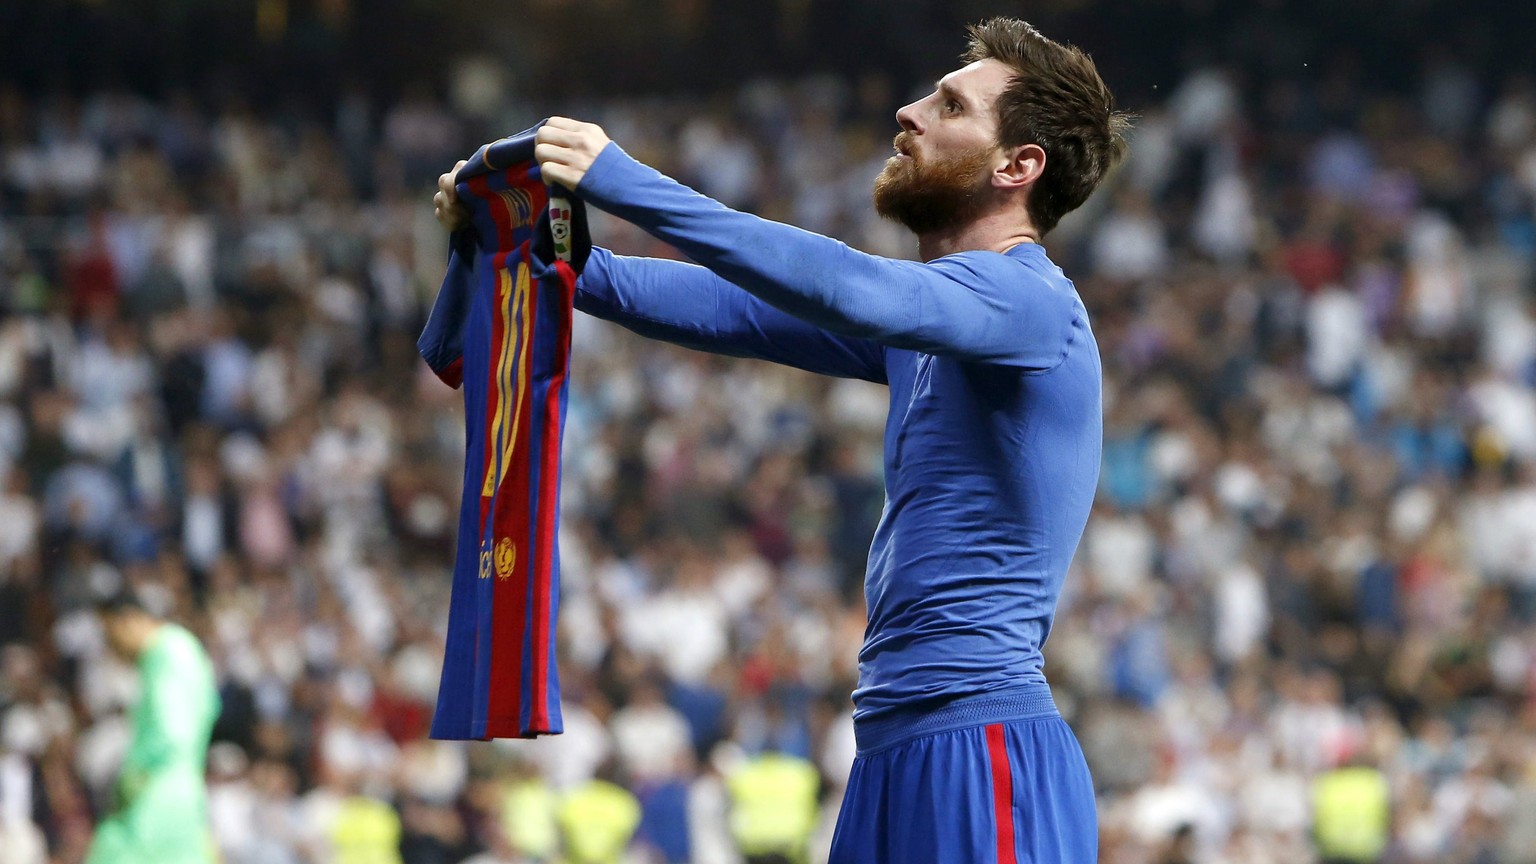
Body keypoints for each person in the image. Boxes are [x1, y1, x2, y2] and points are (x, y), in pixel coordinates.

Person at [434, 16, 1128, 862]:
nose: (909, 112)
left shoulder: (1031, 304)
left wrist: (626, 182)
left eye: (949, 106)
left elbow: (851, 289)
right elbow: (736, 311)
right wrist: (546, 251)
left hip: (984, 749)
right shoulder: (938, 320)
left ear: (1017, 167)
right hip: (894, 745)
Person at [86, 591, 221, 864]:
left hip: (158, 794)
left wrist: (132, 777)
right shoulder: (181, 650)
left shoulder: (167, 652)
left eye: (108, 632)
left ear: (126, 621)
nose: (110, 646)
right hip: (183, 793)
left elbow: (171, 730)